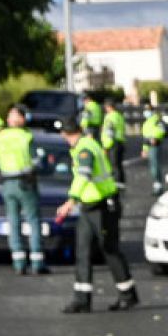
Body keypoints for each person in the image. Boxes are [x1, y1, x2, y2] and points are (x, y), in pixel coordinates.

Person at [54, 121, 138, 314]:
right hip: (89, 206)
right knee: (82, 251)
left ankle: (128, 295)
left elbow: (84, 175)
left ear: (66, 135)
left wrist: (70, 202)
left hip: (102, 207)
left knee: (109, 249)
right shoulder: (85, 145)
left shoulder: (85, 149)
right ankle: (82, 299)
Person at [0, 106, 49, 275]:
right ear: (22, 119)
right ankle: (37, 263)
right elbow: (38, 161)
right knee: (33, 220)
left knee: (13, 222)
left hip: (7, 184)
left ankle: (18, 263)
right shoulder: (26, 137)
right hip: (26, 182)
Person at [141, 98, 167, 194]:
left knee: (155, 166)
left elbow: (162, 130)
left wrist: (156, 138)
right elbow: (145, 136)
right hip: (148, 145)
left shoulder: (156, 119)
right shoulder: (146, 122)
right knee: (152, 167)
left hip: (155, 145)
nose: (146, 112)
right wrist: (144, 149)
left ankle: (158, 185)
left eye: (148, 110)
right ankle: (156, 185)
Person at [101, 97, 129, 186]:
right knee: (119, 164)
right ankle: (121, 182)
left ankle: (115, 183)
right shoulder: (119, 116)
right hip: (120, 142)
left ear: (108, 107)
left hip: (112, 144)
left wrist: (106, 146)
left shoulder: (110, 117)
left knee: (113, 164)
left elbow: (109, 132)